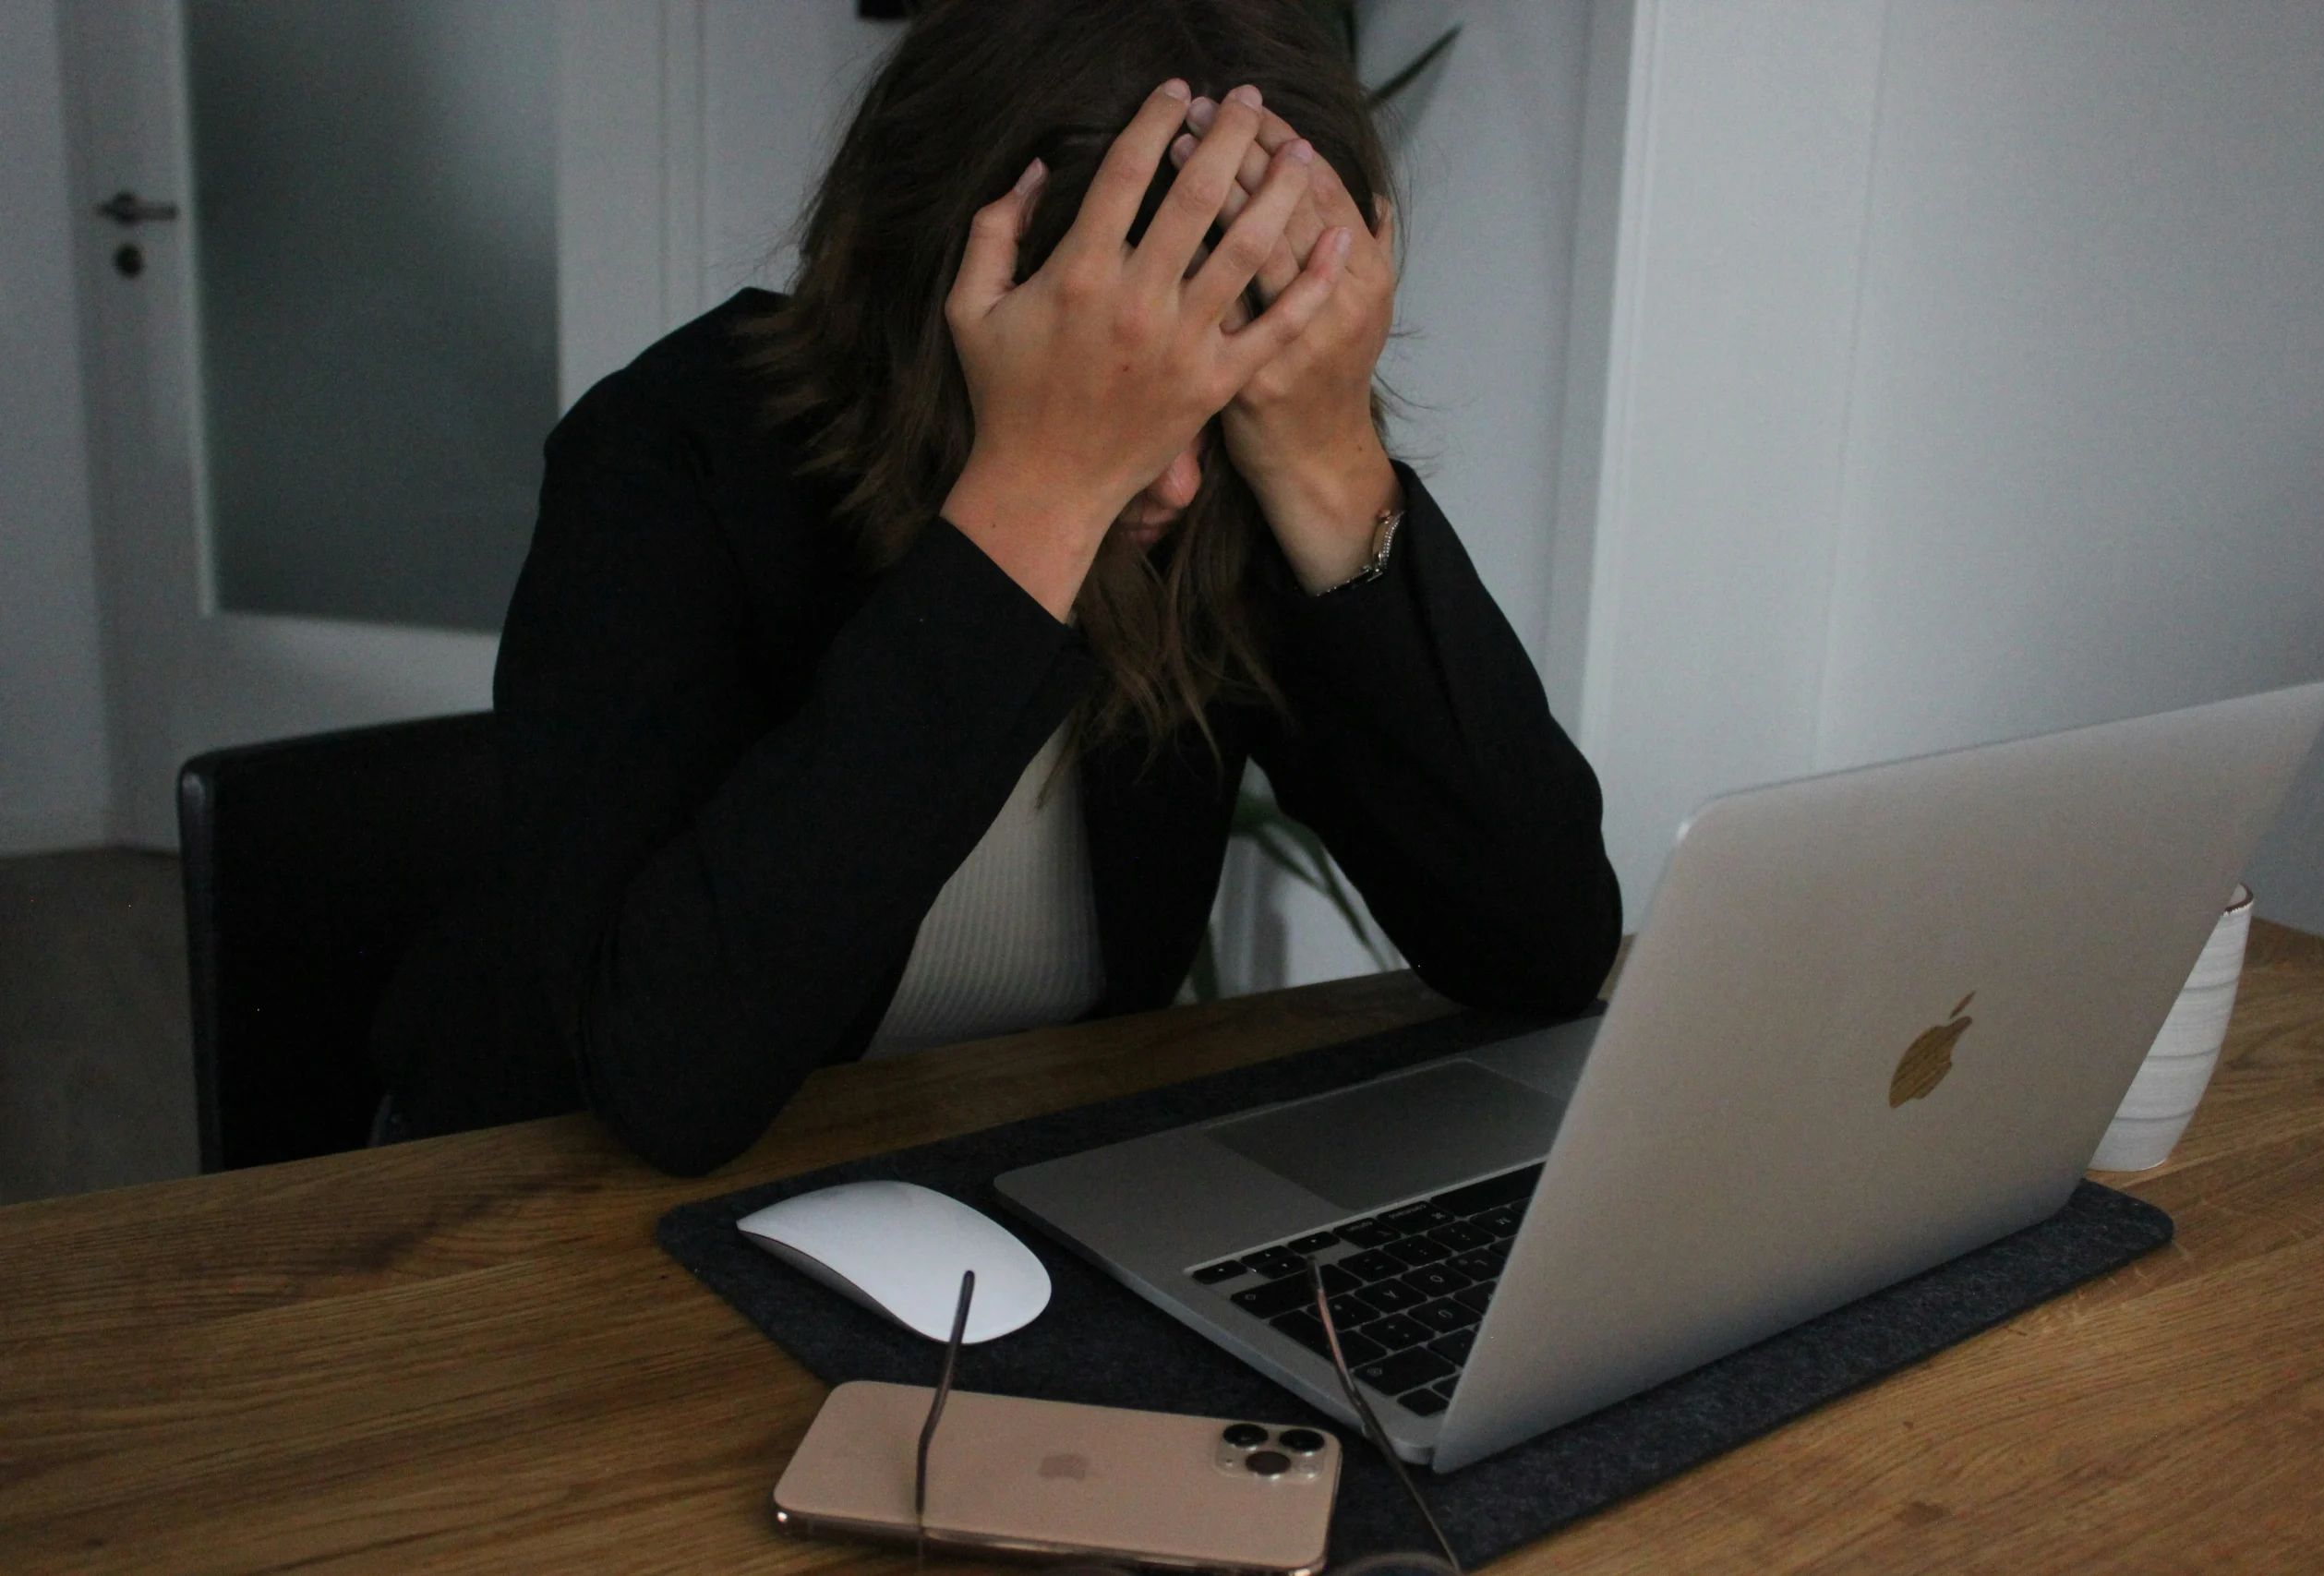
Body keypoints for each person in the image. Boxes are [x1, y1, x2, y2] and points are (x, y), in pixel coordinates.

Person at [371, 0, 1620, 1176]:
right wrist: (1037, 506)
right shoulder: (666, 452)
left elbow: (1542, 947)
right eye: (1118, 378)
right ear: (939, 296)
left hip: (993, 1188)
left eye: (1222, 379)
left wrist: (1330, 459)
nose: (1178, 480)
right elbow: (670, 1077)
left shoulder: (1242, 477)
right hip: (539, 1212)